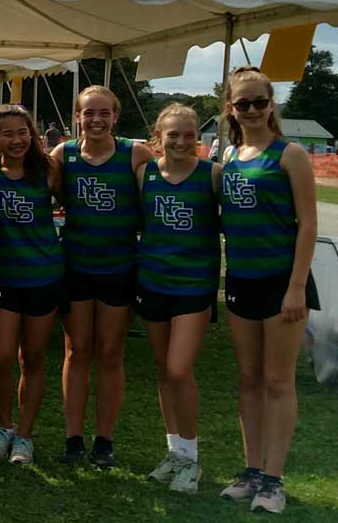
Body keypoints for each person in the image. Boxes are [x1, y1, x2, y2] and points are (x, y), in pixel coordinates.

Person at [217, 67, 319, 514]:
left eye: (260, 102)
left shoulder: (289, 153)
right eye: (244, 104)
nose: (253, 110)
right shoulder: (230, 155)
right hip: (241, 281)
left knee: (278, 380)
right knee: (249, 379)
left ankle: (274, 479)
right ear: (230, 109)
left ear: (271, 104)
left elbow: (309, 224)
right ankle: (252, 469)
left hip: (284, 283)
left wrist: (296, 286)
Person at [50, 85, 152, 467]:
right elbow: (44, 192)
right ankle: (73, 437)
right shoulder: (64, 154)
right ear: (76, 116)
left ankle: (104, 440)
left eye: (103, 113)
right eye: (88, 112)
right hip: (75, 267)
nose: (95, 119)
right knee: (76, 352)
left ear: (115, 116)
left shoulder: (135, 154)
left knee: (110, 354)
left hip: (119, 269)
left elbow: (155, 202)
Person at [134, 103, 221, 493]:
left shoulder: (213, 175)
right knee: (163, 370)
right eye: (174, 134)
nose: (183, 142)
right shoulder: (144, 175)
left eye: (190, 135)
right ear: (158, 137)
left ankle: (192, 460)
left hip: (193, 287)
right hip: (152, 282)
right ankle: (174, 452)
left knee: (178, 370)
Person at [0, 105, 63, 464]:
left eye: (22, 132)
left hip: (43, 276)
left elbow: (74, 206)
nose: (16, 140)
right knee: (0, 358)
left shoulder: (48, 169)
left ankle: (25, 437)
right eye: (7, 134)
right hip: (4, 277)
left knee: (31, 358)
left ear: (32, 134)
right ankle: (4, 427)